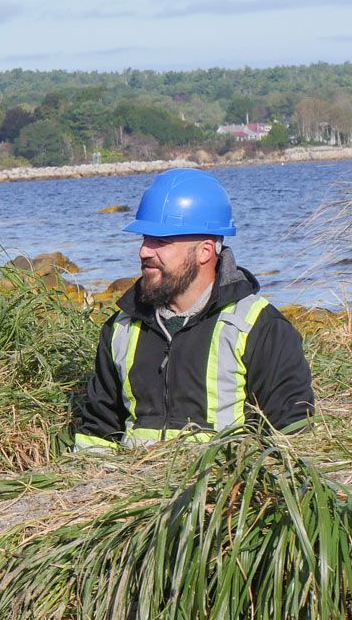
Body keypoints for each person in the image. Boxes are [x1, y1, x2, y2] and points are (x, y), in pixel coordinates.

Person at [74, 168, 313, 449]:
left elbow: (292, 436)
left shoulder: (260, 328)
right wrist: (93, 489)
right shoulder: (120, 328)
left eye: (161, 241)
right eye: (144, 238)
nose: (144, 251)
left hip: (221, 491)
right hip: (132, 488)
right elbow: (98, 432)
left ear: (205, 251)